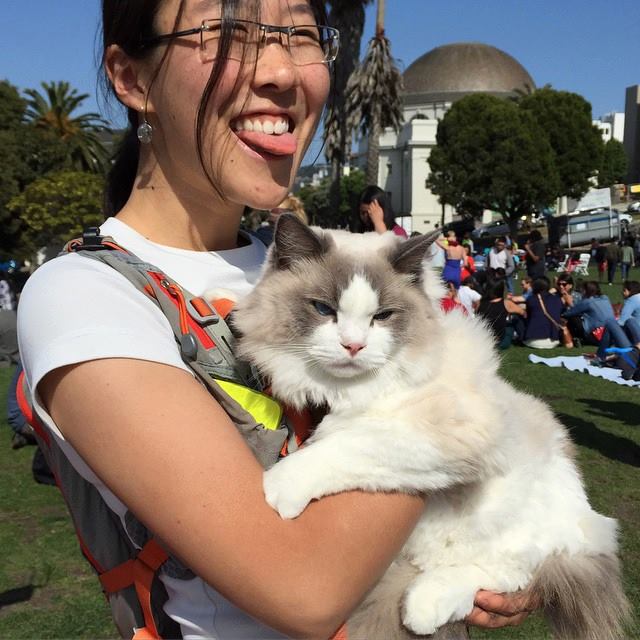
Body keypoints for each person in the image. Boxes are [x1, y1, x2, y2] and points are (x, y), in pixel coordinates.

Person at [16, 2, 536, 638]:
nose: (283, 72)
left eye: (300, 34)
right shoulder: (87, 295)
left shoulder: (297, 269)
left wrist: (493, 545)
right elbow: (302, 587)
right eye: (227, 32)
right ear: (132, 79)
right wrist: (458, 425)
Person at [477, 278, 526, 349]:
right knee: (514, 319)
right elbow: (523, 313)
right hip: (500, 342)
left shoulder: (480, 302)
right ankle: (522, 337)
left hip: (483, 340)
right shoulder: (506, 303)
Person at [522, 277, 564, 349]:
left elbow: (528, 316)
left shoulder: (531, 299)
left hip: (532, 341)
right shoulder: (557, 299)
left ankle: (520, 337)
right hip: (553, 340)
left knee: (519, 317)